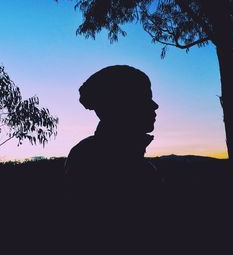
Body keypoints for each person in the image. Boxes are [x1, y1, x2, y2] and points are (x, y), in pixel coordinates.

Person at [64, 65, 163, 253]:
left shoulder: (96, 153)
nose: (155, 105)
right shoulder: (94, 158)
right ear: (123, 106)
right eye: (145, 99)